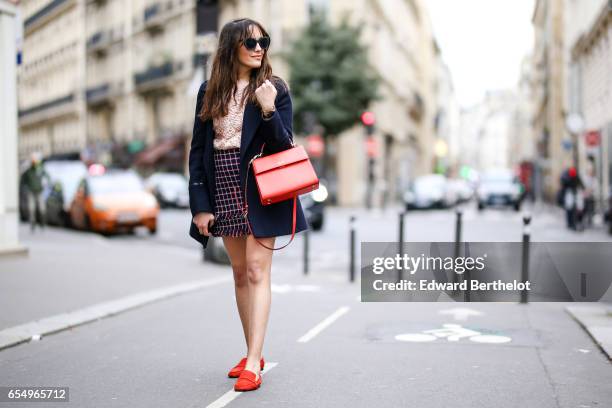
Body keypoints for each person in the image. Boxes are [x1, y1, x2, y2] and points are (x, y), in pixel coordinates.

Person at [188, 18, 308, 392]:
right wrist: (200, 205)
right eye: (250, 42)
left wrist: (269, 110)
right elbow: (198, 151)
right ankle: (250, 350)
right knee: (240, 273)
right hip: (221, 183)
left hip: (260, 186)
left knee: (257, 272)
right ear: (231, 47)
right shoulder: (210, 91)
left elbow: (284, 148)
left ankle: (255, 361)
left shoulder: (275, 88)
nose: (259, 48)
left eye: (263, 41)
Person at [22, 152, 50, 231]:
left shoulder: (40, 169)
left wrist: (46, 183)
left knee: (42, 208)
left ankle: (42, 222)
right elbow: (23, 180)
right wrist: (26, 187)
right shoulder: (28, 170)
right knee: (32, 208)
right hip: (31, 191)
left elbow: (47, 177)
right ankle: (32, 222)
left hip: (39, 191)